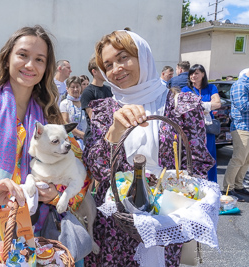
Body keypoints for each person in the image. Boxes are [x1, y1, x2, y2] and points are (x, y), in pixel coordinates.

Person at [0, 26, 91, 265]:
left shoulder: (50, 113)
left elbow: (80, 170)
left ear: (46, 68)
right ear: (7, 58)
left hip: (44, 230)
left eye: (39, 59)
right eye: (23, 55)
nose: (30, 65)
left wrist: (57, 195)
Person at [83, 30, 215, 266]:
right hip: (115, 227)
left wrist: (178, 199)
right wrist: (114, 132)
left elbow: (197, 164)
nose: (116, 69)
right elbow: (95, 169)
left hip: (166, 225)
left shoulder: (180, 105)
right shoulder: (104, 110)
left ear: (142, 55)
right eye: (109, 64)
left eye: (124, 57)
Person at [181, 64, 221, 183]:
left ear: (203, 74)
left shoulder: (211, 88)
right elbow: (186, 107)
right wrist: (207, 105)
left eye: (197, 73)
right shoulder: (185, 89)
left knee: (209, 155)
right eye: (191, 73)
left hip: (208, 129)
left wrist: (198, 105)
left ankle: (211, 184)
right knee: (193, 157)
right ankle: (195, 184)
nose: (193, 76)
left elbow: (218, 104)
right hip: (192, 130)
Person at [222, 69, 249, 200]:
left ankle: (238, 186)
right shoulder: (241, 85)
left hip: (246, 127)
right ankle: (228, 188)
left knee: (246, 160)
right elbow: (243, 106)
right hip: (242, 127)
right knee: (238, 158)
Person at [80, 56, 112, 143]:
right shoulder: (88, 92)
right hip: (94, 139)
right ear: (94, 71)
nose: (106, 72)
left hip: (110, 137)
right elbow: (93, 118)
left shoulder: (110, 90)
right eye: (103, 69)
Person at [60, 76, 87, 149]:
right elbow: (65, 123)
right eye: (72, 87)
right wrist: (81, 134)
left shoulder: (84, 102)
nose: (75, 89)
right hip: (71, 142)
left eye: (77, 86)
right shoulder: (64, 104)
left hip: (85, 141)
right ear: (67, 89)